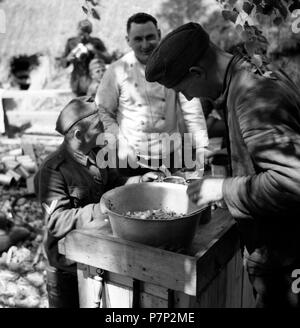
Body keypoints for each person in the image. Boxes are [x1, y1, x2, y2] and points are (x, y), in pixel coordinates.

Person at [145, 22, 300, 308]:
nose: (189, 98)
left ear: (196, 72)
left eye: (183, 89)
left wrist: (223, 188)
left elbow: (293, 182)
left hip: (287, 258)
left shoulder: (253, 95)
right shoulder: (253, 71)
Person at [34, 96, 159, 308]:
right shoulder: (53, 171)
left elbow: (115, 182)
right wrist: (98, 208)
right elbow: (56, 222)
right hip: (68, 267)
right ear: (78, 134)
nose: (106, 129)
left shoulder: (98, 153)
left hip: (96, 254)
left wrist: (138, 181)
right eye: (99, 125)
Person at [95, 13, 208, 177]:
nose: (145, 45)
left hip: (171, 153)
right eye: (138, 39)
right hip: (132, 158)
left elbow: (192, 109)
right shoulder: (116, 71)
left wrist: (201, 147)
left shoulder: (175, 65)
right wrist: (120, 141)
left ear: (160, 35)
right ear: (128, 40)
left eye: (150, 37)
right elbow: (103, 111)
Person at [60, 19, 111, 96]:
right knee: (79, 106)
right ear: (77, 30)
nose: (82, 36)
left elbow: (108, 59)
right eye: (81, 33)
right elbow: (63, 64)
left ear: (89, 32)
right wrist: (68, 58)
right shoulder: (71, 43)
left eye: (85, 33)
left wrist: (94, 50)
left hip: (93, 83)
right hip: (77, 83)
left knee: (92, 105)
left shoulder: (96, 42)